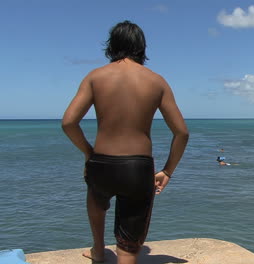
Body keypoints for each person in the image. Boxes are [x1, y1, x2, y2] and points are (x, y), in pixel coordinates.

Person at [62, 20, 189, 264]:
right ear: (142, 47)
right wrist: (168, 171)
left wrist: (89, 153)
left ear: (112, 46)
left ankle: (98, 250)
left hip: (101, 163)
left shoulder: (95, 77)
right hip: (137, 168)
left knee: (96, 199)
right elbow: (181, 133)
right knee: (128, 252)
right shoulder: (156, 81)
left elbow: (68, 123)